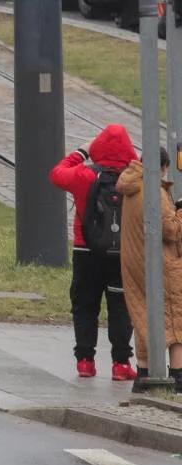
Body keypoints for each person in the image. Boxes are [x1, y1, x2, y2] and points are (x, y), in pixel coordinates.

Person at [50, 124, 138, 380]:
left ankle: (85, 361)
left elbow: (57, 174)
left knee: (85, 304)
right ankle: (121, 364)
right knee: (121, 306)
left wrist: (82, 151)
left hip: (85, 249)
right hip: (123, 252)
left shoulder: (85, 176)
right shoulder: (133, 180)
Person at [116, 148, 182, 385]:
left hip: (134, 263)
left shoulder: (131, 186)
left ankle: (143, 376)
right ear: (163, 167)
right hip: (161, 265)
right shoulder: (154, 191)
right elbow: (170, 231)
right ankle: (178, 376)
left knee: (145, 318)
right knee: (177, 322)